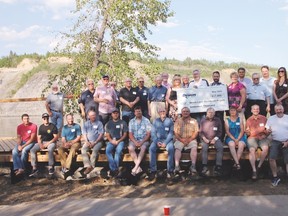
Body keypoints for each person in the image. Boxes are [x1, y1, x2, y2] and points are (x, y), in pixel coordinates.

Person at [148, 108, 174, 180]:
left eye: (163, 111)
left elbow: (171, 133)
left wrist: (165, 143)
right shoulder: (155, 121)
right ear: (158, 113)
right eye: (161, 111)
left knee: (171, 148)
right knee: (151, 148)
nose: (162, 112)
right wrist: (156, 141)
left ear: (166, 112)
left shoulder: (170, 121)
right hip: (157, 140)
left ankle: (170, 171)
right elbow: (153, 133)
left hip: (167, 141)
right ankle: (153, 171)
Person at [265, 104, 288, 186]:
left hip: (286, 141)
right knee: (271, 158)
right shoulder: (271, 118)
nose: (279, 111)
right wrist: (268, 132)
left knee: (287, 160)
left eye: (280, 109)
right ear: (275, 111)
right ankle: (275, 177)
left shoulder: (287, 118)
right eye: (277, 109)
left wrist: (287, 142)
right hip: (275, 141)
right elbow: (267, 131)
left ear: (283, 109)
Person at [245, 105, 269, 180]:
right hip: (252, 138)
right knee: (252, 150)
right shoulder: (249, 120)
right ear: (251, 110)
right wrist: (247, 132)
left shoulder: (264, 118)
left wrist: (265, 134)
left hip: (262, 137)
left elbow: (268, 129)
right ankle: (254, 170)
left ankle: (259, 166)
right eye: (254, 109)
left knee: (264, 148)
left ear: (259, 110)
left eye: (257, 109)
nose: (256, 110)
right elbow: (248, 132)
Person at [174, 107, 199, 175]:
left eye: (187, 111)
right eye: (184, 111)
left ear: (189, 112)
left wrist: (190, 139)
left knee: (194, 148)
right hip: (180, 139)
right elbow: (175, 132)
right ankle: (177, 166)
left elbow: (196, 132)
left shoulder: (194, 121)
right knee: (177, 149)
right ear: (181, 112)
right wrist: (182, 140)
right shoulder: (177, 121)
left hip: (191, 139)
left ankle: (193, 166)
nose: (185, 112)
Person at [200, 107, 223, 175]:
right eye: (209, 112)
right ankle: (204, 166)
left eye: (212, 112)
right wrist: (204, 139)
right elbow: (200, 132)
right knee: (204, 148)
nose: (210, 114)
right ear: (206, 113)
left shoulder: (218, 120)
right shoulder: (203, 120)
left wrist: (214, 139)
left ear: (214, 113)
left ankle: (218, 166)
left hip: (215, 138)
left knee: (220, 147)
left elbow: (220, 132)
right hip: (205, 138)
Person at [128, 106, 152, 175]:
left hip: (144, 140)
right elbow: (130, 134)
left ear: (141, 112)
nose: (138, 112)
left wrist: (141, 142)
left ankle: (136, 167)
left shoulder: (146, 121)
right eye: (137, 111)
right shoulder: (131, 121)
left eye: (139, 111)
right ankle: (138, 167)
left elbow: (148, 134)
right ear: (134, 113)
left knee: (143, 148)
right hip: (134, 140)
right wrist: (135, 142)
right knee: (130, 148)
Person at [105, 108, 128, 177]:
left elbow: (125, 134)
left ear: (119, 114)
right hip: (112, 140)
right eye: (114, 113)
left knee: (118, 151)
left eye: (117, 113)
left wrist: (119, 141)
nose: (115, 114)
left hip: (120, 140)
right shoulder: (109, 123)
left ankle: (114, 170)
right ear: (111, 114)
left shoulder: (123, 122)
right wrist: (111, 141)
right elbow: (107, 135)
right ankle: (115, 169)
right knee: (108, 151)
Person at [58, 114, 82, 179]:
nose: (70, 120)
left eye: (71, 119)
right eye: (69, 119)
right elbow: (63, 138)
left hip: (75, 142)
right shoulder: (64, 128)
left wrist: (71, 143)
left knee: (73, 149)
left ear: (73, 118)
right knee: (60, 149)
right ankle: (64, 167)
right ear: (67, 120)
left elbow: (78, 137)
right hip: (67, 142)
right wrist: (65, 143)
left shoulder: (77, 126)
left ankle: (66, 167)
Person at [81, 110, 104, 175]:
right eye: (91, 115)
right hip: (88, 141)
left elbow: (101, 134)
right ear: (88, 116)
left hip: (98, 141)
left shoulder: (99, 123)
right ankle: (88, 165)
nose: (93, 117)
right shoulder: (86, 124)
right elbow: (84, 134)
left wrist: (95, 142)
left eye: (94, 115)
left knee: (95, 150)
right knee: (83, 149)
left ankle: (92, 166)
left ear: (95, 115)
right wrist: (87, 141)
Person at [210, 70, 225, 139]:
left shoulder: (223, 86)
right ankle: (212, 136)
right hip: (212, 108)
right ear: (212, 77)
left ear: (219, 77)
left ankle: (221, 137)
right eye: (214, 76)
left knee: (220, 122)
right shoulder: (209, 86)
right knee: (212, 123)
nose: (216, 77)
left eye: (217, 76)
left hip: (220, 108)